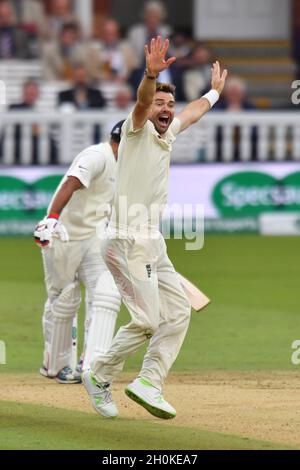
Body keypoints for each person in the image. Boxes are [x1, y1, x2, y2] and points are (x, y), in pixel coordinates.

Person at [82, 37, 227, 419]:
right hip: (123, 242)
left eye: (169, 104)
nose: (165, 109)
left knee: (177, 313)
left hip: (152, 243)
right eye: (160, 104)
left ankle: (149, 381)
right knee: (147, 319)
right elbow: (144, 99)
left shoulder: (169, 134)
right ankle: (98, 374)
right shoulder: (136, 130)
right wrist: (150, 74)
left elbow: (192, 113)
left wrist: (213, 93)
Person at [34, 121, 124, 384]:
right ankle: (56, 365)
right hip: (64, 235)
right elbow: (71, 183)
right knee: (63, 299)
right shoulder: (97, 155)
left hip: (94, 236)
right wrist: (52, 218)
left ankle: (90, 363)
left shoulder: (126, 165)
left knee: (104, 295)